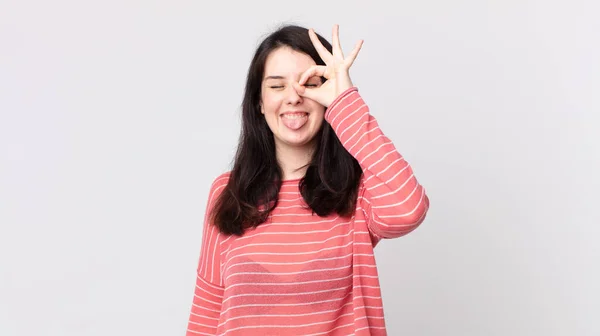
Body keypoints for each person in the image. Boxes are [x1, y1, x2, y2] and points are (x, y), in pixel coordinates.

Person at [185, 23, 430, 335]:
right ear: (259, 102)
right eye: (276, 86)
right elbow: (207, 310)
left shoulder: (359, 192)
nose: (294, 98)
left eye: (309, 84)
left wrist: (345, 100)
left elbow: (408, 209)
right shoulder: (226, 192)